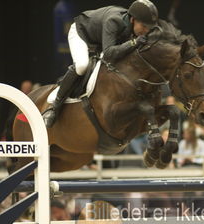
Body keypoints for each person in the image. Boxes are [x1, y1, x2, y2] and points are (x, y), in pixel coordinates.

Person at [43, 0, 159, 128]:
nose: (146, 30)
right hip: (81, 34)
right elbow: (109, 53)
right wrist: (133, 43)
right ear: (133, 20)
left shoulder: (134, 29)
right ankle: (54, 107)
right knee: (82, 65)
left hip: (100, 42)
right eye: (144, 26)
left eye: (148, 27)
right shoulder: (114, 21)